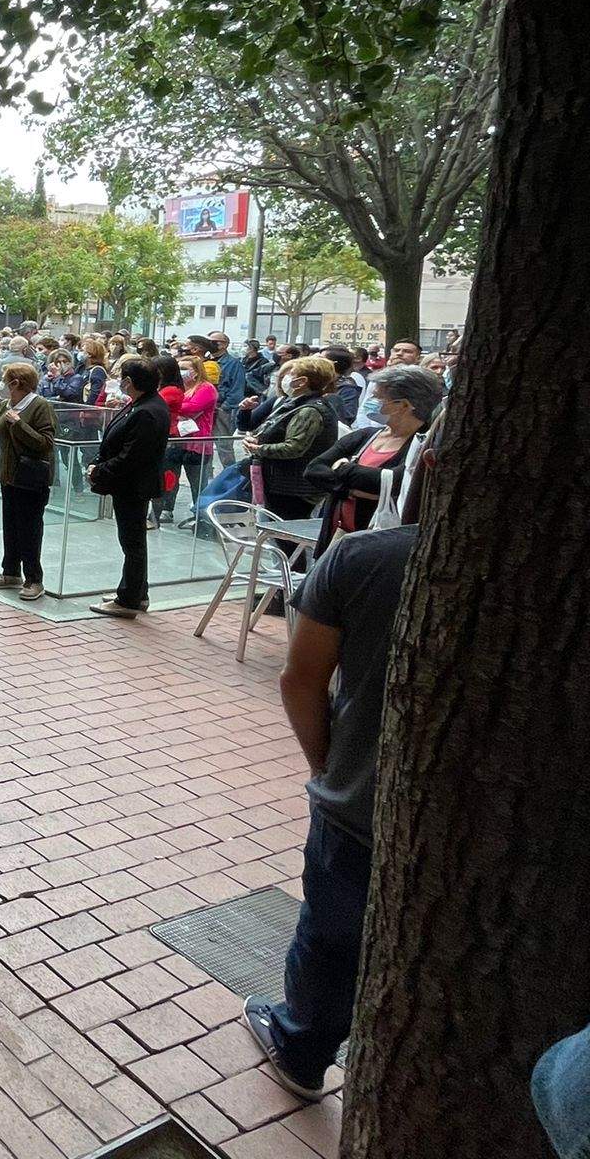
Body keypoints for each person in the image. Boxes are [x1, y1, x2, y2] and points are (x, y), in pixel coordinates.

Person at [243, 459, 426, 1102]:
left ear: (427, 468)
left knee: (332, 931)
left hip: (363, 799)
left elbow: (300, 679)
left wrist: (329, 768)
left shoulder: (364, 557)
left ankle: (301, 1047)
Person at [303, 365, 442, 554]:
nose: (370, 401)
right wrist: (350, 490)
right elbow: (313, 470)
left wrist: (343, 468)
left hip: (377, 545)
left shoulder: (420, 446)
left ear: (403, 405)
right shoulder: (364, 436)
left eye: (377, 397)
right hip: (336, 535)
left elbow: (397, 482)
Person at [86, 356, 170, 618]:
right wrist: (98, 462)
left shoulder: (147, 411)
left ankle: (128, 599)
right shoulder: (141, 404)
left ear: (130, 381)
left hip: (133, 486)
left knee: (132, 543)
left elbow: (131, 456)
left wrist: (100, 470)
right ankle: (137, 592)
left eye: (122, 378)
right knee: (133, 541)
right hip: (129, 484)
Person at [0, 360, 60, 600]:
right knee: (11, 526)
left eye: (5, 381)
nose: (1, 385)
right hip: (9, 477)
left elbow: (45, 444)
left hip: (32, 480)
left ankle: (34, 579)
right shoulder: (4, 406)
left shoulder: (41, 406)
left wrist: (19, 424)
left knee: (30, 530)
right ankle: (11, 572)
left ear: (16, 383)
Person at [243, 354, 343, 520]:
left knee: (283, 529)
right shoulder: (295, 403)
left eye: (291, 374)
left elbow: (293, 448)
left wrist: (258, 448)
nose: (284, 378)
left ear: (302, 382)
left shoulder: (309, 410)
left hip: (293, 488)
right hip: (283, 483)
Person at [158, 352, 217, 526]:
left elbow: (192, 407)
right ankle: (167, 509)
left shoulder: (206, 388)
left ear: (197, 371)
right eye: (179, 368)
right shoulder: (179, 388)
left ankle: (201, 515)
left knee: (197, 482)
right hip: (176, 440)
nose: (181, 372)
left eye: (185, 368)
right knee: (170, 477)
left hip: (197, 442)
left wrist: (173, 405)